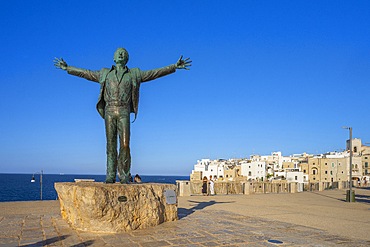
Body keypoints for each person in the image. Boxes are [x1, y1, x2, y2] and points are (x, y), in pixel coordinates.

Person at [54, 48, 191, 184]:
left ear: (127, 58)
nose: (121, 54)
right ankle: (110, 175)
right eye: (118, 52)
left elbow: (154, 73)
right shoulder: (105, 73)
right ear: (114, 58)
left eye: (124, 53)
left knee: (125, 145)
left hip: (124, 110)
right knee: (110, 144)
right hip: (109, 110)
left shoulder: (134, 74)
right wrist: (68, 68)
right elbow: (86, 73)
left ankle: (124, 175)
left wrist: (173, 66)